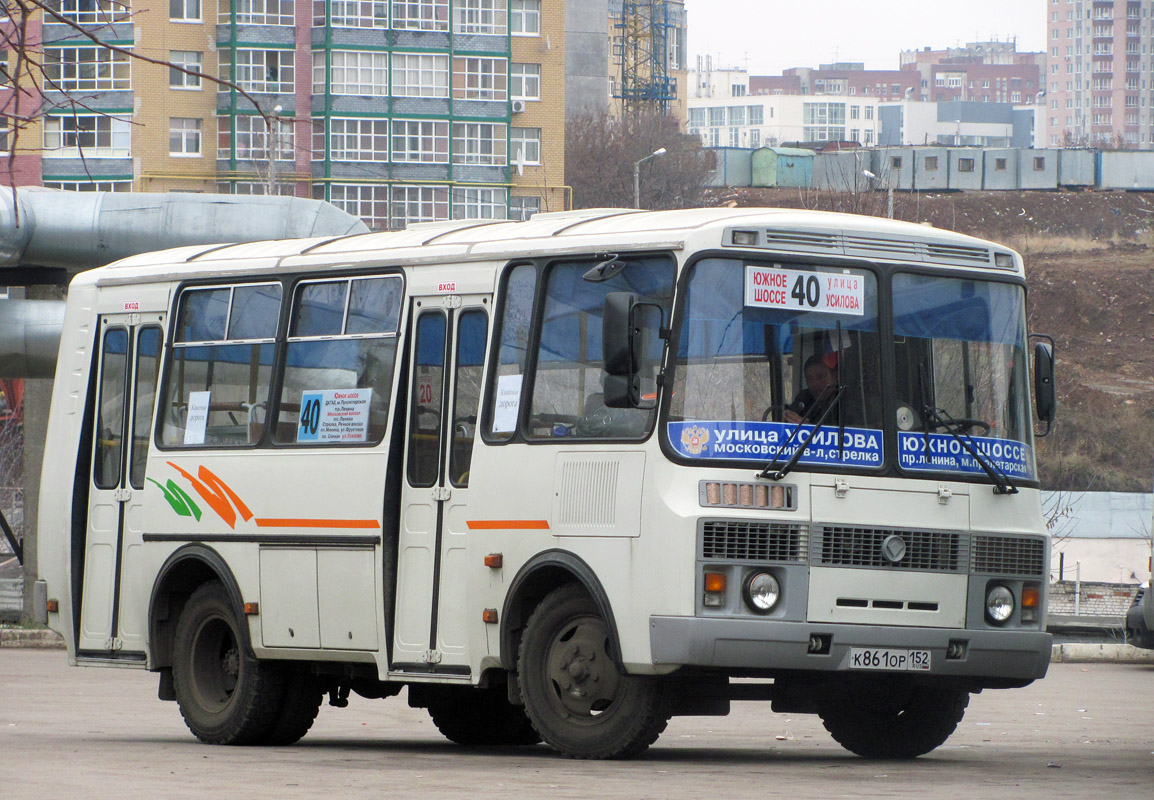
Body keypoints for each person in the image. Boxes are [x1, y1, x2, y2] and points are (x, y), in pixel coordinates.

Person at [784, 354, 838, 424]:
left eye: (820, 377)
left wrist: (808, 428)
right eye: (809, 378)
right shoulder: (805, 397)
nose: (814, 383)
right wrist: (787, 416)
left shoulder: (846, 400)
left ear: (835, 377)